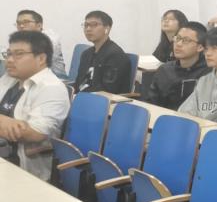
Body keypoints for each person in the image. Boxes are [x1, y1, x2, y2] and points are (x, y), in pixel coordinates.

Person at [0, 31, 69, 180]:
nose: (9, 60)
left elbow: (35, 133)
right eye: (8, 54)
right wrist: (6, 123)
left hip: (21, 169)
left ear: (41, 58)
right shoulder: (9, 79)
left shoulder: (51, 88)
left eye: (18, 54)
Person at [144, 22, 209, 110]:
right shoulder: (165, 70)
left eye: (186, 40)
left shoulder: (209, 73)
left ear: (200, 47)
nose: (178, 44)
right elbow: (151, 103)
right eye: (177, 38)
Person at [74, 10, 132, 94]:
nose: (88, 29)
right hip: (82, 97)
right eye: (86, 25)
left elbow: (107, 90)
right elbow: (78, 84)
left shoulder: (115, 56)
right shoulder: (86, 54)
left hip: (104, 100)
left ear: (107, 29)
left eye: (94, 25)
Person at [14, 10, 65, 76]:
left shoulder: (50, 39)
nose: (21, 26)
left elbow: (37, 63)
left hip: (55, 78)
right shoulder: (21, 40)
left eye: (26, 22)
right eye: (18, 23)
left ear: (39, 25)